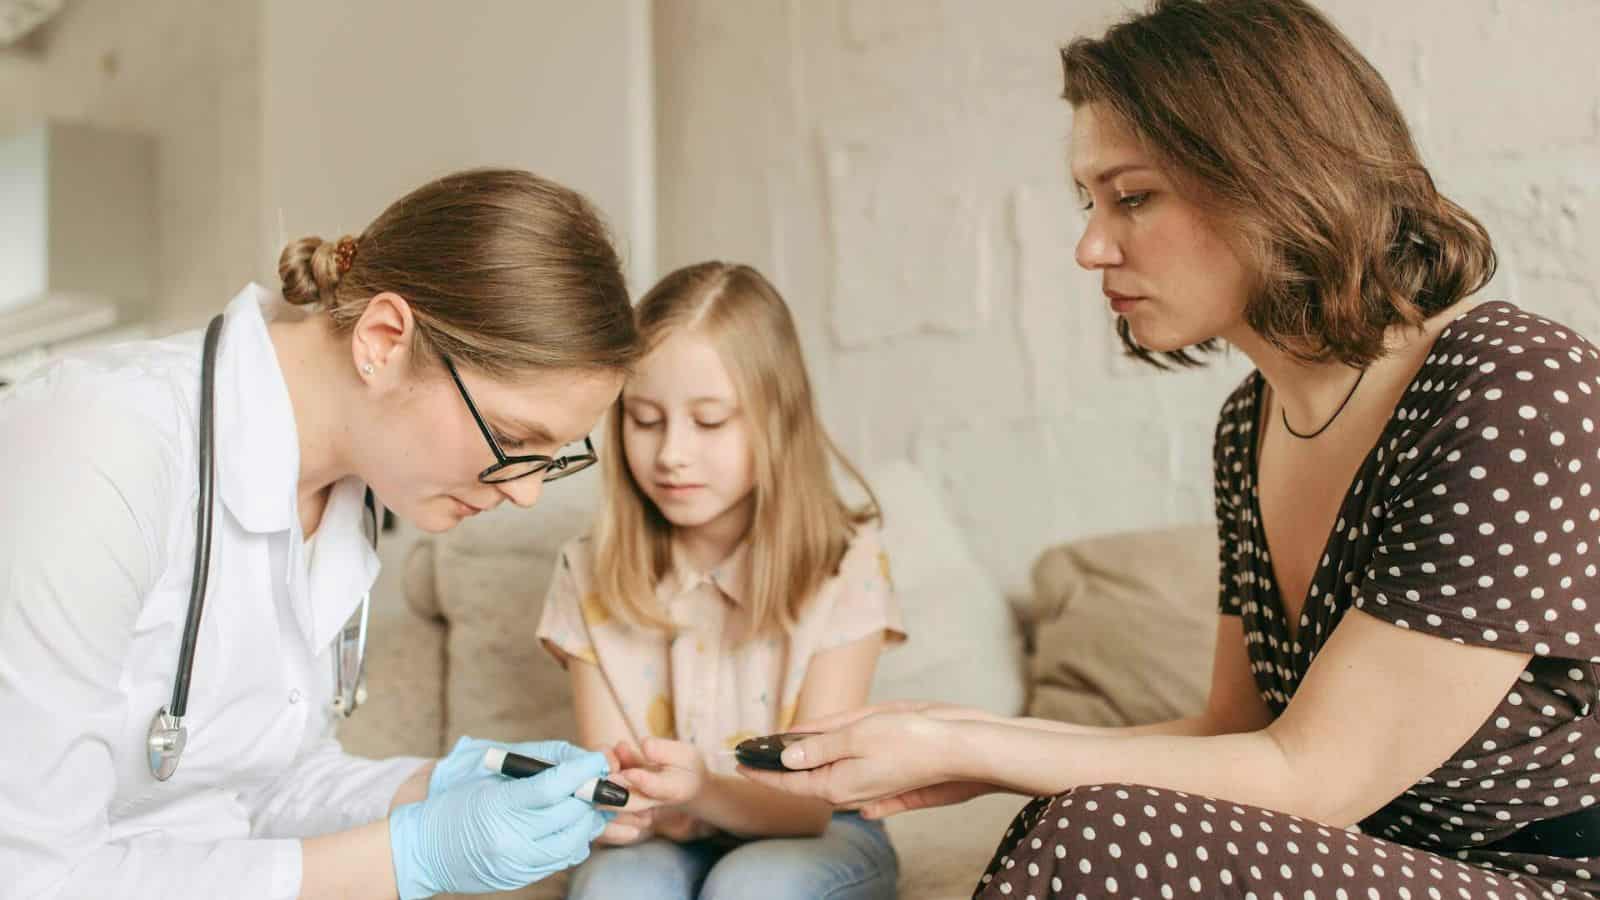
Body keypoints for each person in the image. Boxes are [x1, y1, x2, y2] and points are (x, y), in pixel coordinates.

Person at [738, 2, 1600, 898]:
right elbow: (1236, 731)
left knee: (1104, 832)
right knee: (1083, 815)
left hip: (1532, 879)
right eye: (1090, 201)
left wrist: (973, 745)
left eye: (1133, 197)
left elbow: (1316, 778)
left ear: (1273, 174)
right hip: (1356, 864)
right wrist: (969, 738)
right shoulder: (1248, 425)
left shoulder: (1512, 390)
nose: (1090, 246)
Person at [0, 168, 642, 899]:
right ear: (383, 338)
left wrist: (436, 787)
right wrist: (411, 856)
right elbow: (28, 875)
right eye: (510, 439)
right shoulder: (98, 444)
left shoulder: (346, 495)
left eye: (550, 459)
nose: (525, 492)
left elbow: (257, 789)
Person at [534, 261, 904, 899]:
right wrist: (610, 812)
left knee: (751, 888)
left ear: (778, 422)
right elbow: (613, 788)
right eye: (645, 420)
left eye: (708, 421)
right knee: (613, 893)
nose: (672, 452)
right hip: (663, 839)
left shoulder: (843, 563)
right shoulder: (586, 569)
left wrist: (702, 790)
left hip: (817, 832)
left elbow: (811, 804)